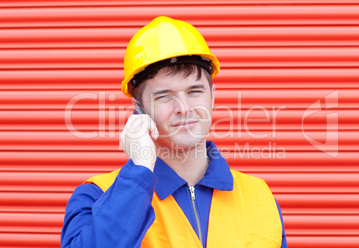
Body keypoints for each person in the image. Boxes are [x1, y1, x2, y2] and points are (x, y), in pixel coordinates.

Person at [61, 16, 287, 248]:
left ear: (212, 97)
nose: (184, 108)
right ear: (139, 110)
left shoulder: (260, 197)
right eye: (164, 96)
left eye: (194, 91)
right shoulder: (96, 197)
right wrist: (139, 171)